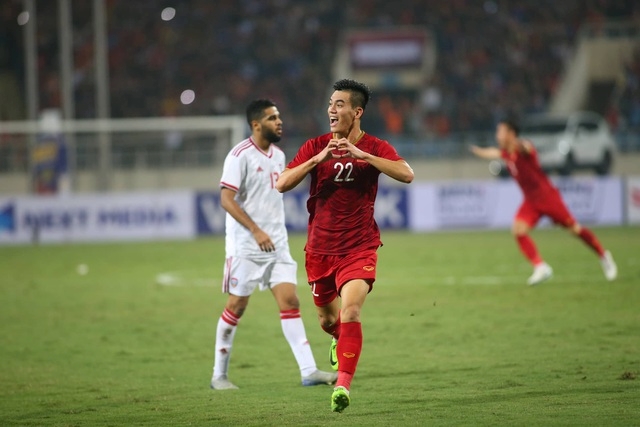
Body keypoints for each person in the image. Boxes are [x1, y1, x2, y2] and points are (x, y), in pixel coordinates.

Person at [276, 79, 414, 412]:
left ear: (357, 111)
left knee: (351, 310)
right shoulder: (316, 146)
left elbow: (407, 174)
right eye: (330, 104)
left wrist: (363, 155)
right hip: (320, 250)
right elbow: (281, 183)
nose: (331, 110)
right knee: (327, 320)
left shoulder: (375, 146)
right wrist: (317, 159)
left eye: (339, 104)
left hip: (359, 247)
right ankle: (338, 337)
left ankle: (343, 386)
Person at [210, 99, 337, 390]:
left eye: (278, 116)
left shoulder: (279, 156)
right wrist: (256, 231)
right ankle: (219, 375)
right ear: (256, 125)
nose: (279, 122)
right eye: (272, 118)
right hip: (246, 246)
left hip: (277, 244)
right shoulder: (239, 156)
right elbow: (226, 199)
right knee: (237, 305)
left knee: (290, 301)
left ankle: (308, 370)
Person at [470, 119, 618, 285]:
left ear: (511, 134)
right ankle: (540, 267)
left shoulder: (524, 149)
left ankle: (603, 255)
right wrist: (477, 150)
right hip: (531, 201)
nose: (497, 135)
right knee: (518, 230)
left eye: (500, 131)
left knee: (574, 230)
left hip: (547, 197)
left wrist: (518, 145)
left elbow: (527, 147)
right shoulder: (506, 154)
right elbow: (492, 152)